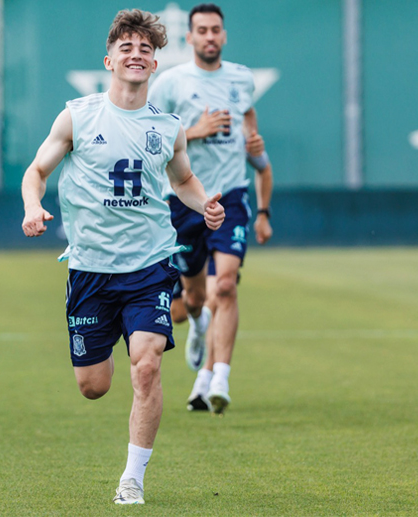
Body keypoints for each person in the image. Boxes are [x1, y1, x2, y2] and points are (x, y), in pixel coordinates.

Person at [21, 9, 224, 505]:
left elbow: (183, 180)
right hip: (90, 268)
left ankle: (132, 478)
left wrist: (205, 203)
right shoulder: (77, 116)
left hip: (149, 265)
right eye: (126, 48)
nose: (136, 55)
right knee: (93, 386)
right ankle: (107, 346)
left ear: (154, 63)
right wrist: (32, 206)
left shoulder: (168, 127)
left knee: (147, 366)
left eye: (145, 49)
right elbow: (37, 172)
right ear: (109, 60)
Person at [148, 2, 274, 415]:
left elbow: (248, 117)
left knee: (226, 286)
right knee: (193, 299)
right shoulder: (170, 83)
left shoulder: (241, 78)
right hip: (185, 201)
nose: (209, 36)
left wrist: (253, 139)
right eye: (201, 30)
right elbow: (151, 137)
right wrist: (194, 131)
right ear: (189, 37)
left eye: (215, 29)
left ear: (224, 35)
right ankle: (200, 326)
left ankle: (219, 377)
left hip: (230, 195)